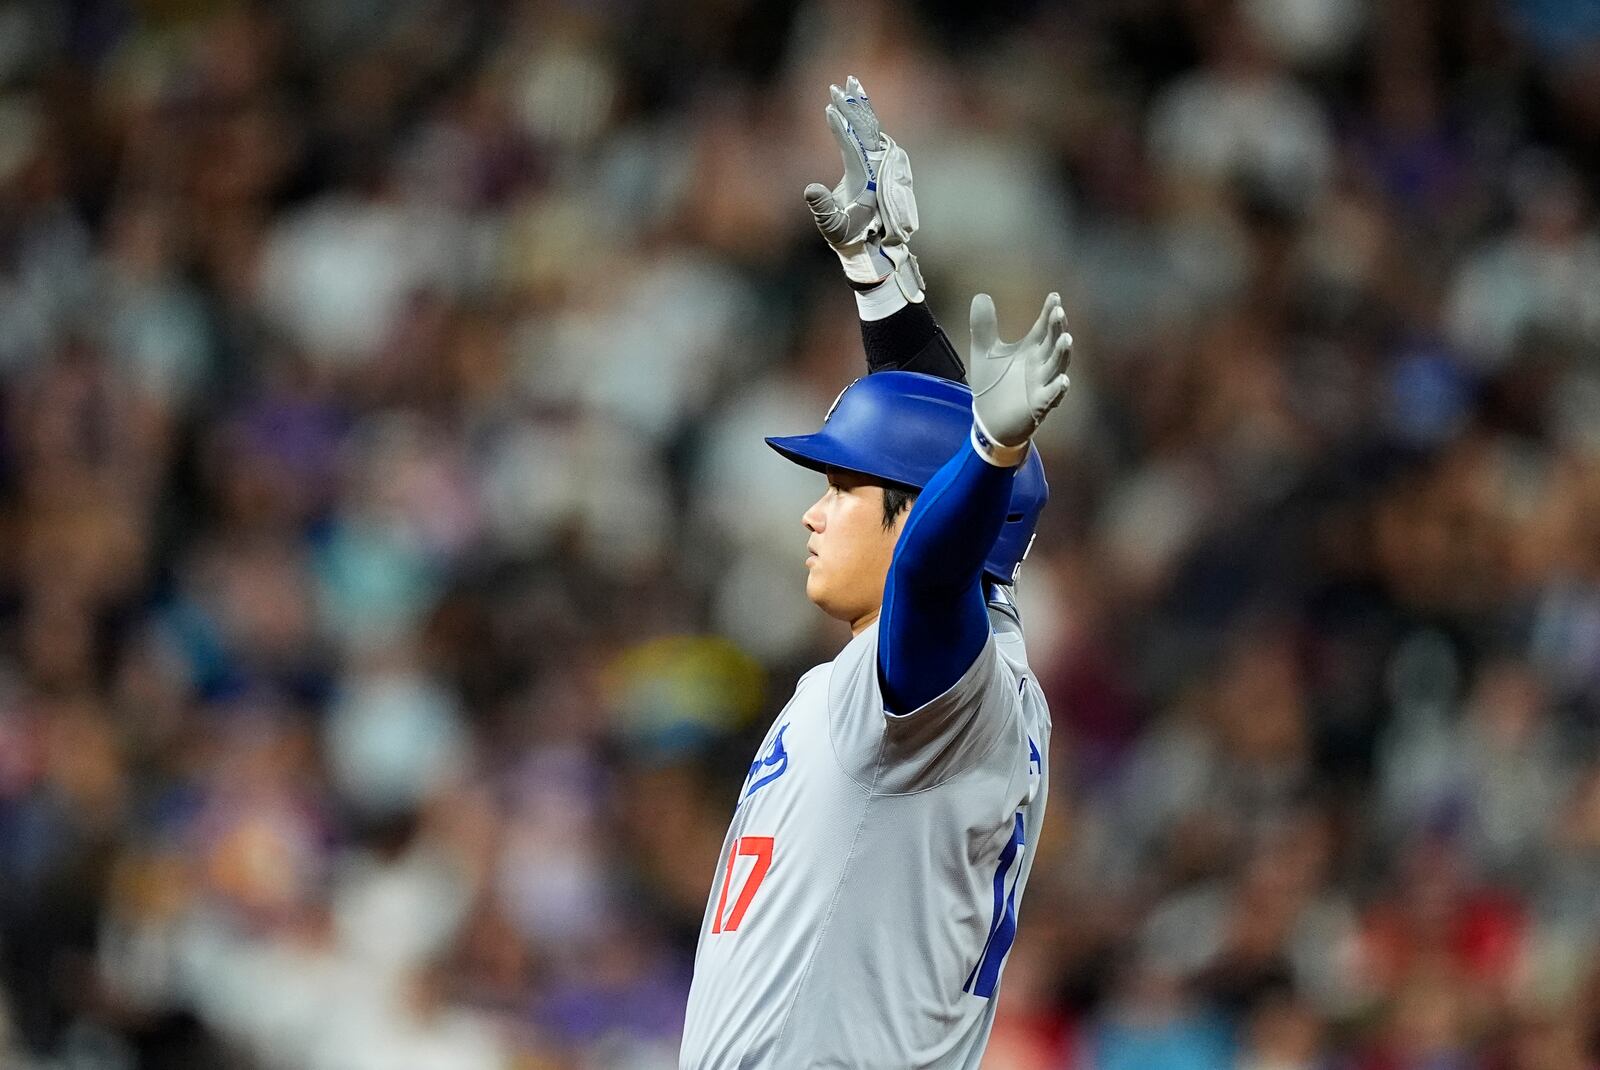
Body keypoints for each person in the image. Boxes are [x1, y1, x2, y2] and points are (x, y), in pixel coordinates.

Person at [679, 77, 1074, 1068]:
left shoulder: (936, 681)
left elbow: (934, 562)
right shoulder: (951, 670)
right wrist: (878, 279)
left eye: (844, 490)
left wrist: (987, 452)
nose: (814, 510)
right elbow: (932, 468)